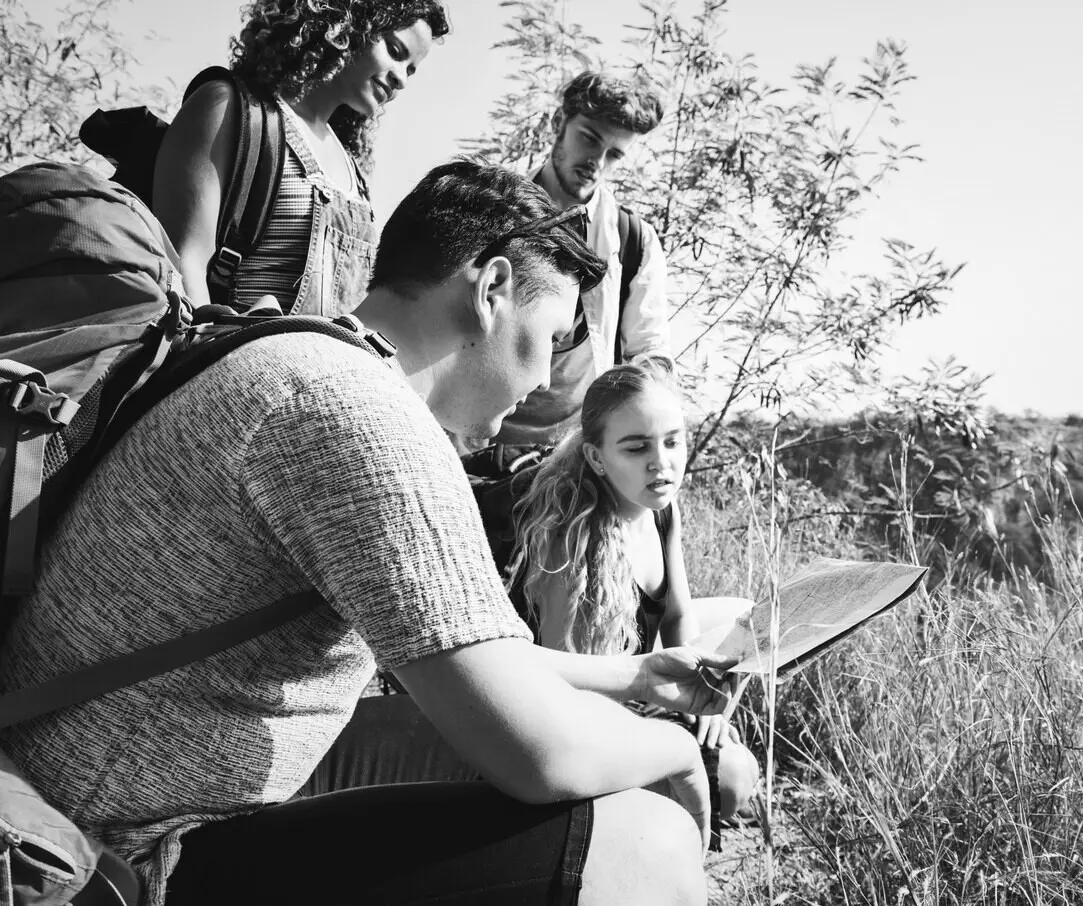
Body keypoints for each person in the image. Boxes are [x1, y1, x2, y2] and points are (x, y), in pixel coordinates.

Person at [0, 158, 733, 906]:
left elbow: (484, 659)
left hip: (87, 777)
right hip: (115, 853)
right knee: (644, 841)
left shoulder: (292, 350)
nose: (547, 380)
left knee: (482, 742)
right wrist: (676, 749)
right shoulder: (361, 416)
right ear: (492, 291)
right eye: (551, 336)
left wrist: (634, 678)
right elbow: (537, 752)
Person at [509, 354, 761, 821]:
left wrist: (700, 700)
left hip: (637, 674)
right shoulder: (572, 534)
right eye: (636, 448)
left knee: (749, 621)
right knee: (733, 780)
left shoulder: (661, 510)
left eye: (672, 442)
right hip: (584, 701)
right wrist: (662, 730)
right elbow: (568, 687)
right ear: (596, 457)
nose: (660, 463)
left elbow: (677, 615)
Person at [152, 0, 448, 316]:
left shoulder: (352, 170)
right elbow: (182, 264)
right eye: (395, 51)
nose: (401, 78)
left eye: (411, 69)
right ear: (346, 26)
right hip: (233, 357)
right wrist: (211, 348)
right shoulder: (231, 109)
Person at [491, 70, 672, 448]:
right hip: (482, 446)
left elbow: (649, 350)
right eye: (589, 139)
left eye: (615, 155)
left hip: (577, 455)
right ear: (559, 123)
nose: (598, 162)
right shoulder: (493, 212)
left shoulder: (633, 239)